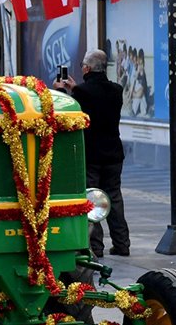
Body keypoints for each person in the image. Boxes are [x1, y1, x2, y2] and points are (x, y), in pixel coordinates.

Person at [55, 49, 128, 258]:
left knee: (92, 199)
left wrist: (63, 91)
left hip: (91, 155)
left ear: (86, 68)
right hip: (114, 154)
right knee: (114, 197)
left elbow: (69, 112)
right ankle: (122, 243)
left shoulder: (82, 93)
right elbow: (99, 99)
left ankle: (96, 247)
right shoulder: (117, 90)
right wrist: (77, 88)